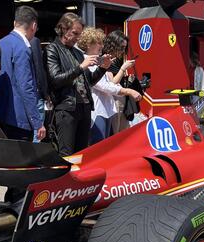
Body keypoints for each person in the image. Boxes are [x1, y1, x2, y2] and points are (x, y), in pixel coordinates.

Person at [46, 12, 112, 155]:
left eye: (79, 34)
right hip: (67, 107)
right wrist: (81, 67)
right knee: (67, 152)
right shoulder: (53, 49)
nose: (77, 38)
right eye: (75, 33)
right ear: (63, 28)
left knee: (82, 152)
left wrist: (103, 68)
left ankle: (78, 177)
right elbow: (55, 79)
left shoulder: (76, 52)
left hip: (84, 106)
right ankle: (67, 177)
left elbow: (89, 81)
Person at [79, 27, 140, 143]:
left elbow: (108, 83)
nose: (102, 46)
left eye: (102, 42)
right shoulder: (87, 61)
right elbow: (104, 85)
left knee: (106, 143)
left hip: (106, 109)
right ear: (88, 44)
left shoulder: (98, 60)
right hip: (97, 110)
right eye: (99, 43)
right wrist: (128, 91)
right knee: (99, 145)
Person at [0, 5, 44, 142]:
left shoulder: (1, 42)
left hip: (2, 115)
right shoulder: (23, 48)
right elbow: (25, 87)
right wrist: (37, 122)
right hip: (19, 119)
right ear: (33, 25)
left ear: (15, 23)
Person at [104, 31, 137, 135]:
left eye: (124, 48)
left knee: (123, 133)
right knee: (115, 134)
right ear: (113, 44)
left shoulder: (117, 59)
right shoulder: (106, 58)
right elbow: (112, 83)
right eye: (121, 47)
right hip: (113, 101)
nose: (123, 50)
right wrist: (123, 68)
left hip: (121, 99)